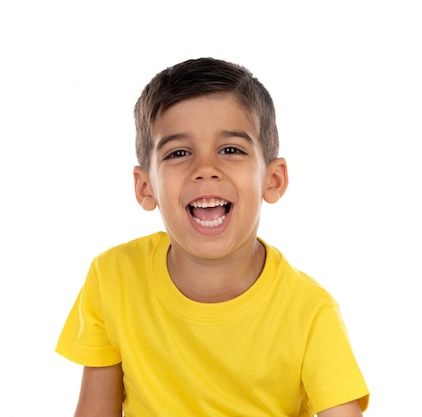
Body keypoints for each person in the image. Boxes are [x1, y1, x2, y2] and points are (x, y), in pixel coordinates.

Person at [56, 57, 369, 417]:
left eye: (230, 150)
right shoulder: (112, 278)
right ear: (145, 187)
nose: (205, 170)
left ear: (273, 180)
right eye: (179, 153)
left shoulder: (311, 312)